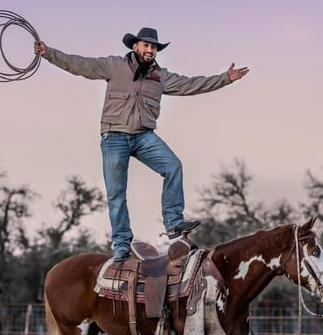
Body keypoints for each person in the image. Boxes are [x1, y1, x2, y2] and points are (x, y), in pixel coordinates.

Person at [34, 27, 249, 262]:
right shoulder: (114, 66)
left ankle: (174, 222)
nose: (150, 50)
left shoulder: (160, 76)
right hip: (114, 136)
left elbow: (191, 85)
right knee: (116, 193)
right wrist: (49, 53)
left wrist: (225, 79)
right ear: (135, 47)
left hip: (143, 136)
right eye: (146, 45)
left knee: (173, 166)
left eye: (154, 47)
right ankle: (122, 244)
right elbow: (80, 65)